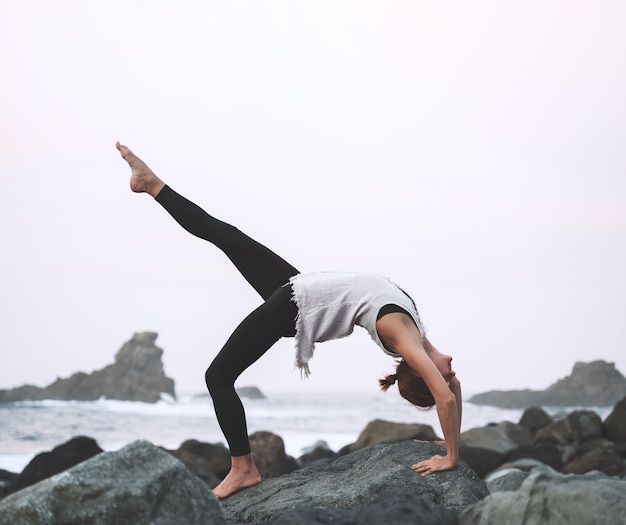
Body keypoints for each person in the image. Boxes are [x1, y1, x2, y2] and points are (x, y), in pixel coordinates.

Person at [115, 142, 462, 499]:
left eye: (445, 374)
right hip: (300, 288)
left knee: (217, 377)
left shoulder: (399, 333)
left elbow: (446, 398)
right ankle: (151, 183)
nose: (452, 369)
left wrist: (450, 457)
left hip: (296, 308)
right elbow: (451, 394)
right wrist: (452, 441)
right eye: (450, 373)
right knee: (226, 236)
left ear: (422, 371)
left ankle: (243, 468)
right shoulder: (418, 330)